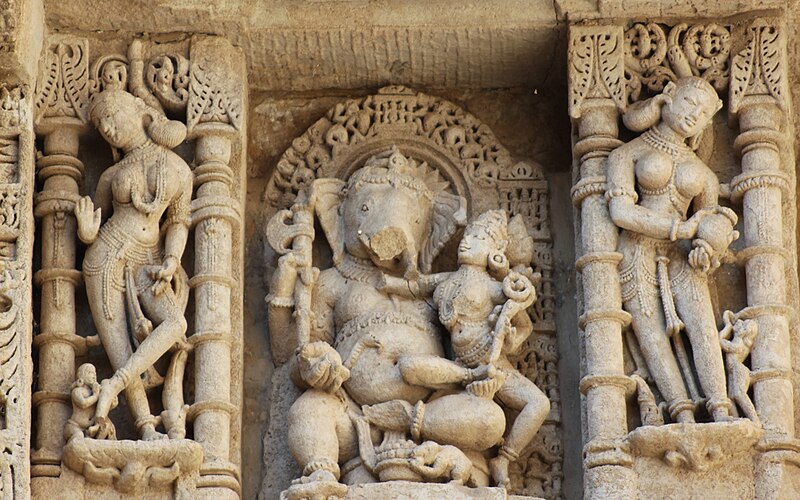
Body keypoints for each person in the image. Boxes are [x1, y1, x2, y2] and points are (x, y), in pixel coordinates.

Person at [606, 76, 738, 423]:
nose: (695, 114)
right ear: (668, 97)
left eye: (704, 111)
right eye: (690, 102)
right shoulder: (627, 154)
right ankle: (680, 412)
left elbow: (710, 225)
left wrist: (706, 252)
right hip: (636, 249)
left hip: (683, 256)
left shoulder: (705, 174)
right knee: (650, 333)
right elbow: (620, 211)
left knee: (703, 327)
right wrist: (677, 228)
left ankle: (720, 408)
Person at [74, 87, 193, 440]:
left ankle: (114, 384)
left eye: (111, 117)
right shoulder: (113, 175)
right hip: (105, 258)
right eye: (100, 126)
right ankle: (145, 427)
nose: (108, 129)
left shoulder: (178, 168)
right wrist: (85, 233)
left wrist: (172, 260)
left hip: (149, 259)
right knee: (118, 347)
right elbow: (95, 222)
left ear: (138, 112)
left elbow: (180, 220)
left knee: (175, 323)